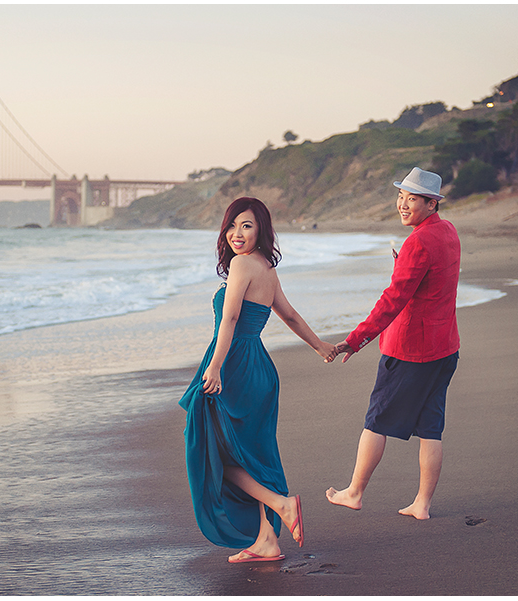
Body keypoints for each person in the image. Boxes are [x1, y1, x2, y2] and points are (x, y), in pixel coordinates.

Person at [178, 197, 337, 563]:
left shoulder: (242, 265)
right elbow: (290, 315)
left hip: (234, 366)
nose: (237, 233)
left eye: (246, 225)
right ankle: (267, 540)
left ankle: (282, 504)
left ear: (261, 229)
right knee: (255, 457)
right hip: (260, 369)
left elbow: (230, 319)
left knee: (210, 450)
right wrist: (319, 347)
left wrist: (215, 367)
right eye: (233, 225)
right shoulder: (265, 267)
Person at [326, 167, 461, 520]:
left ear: (432, 204)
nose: (402, 204)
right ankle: (422, 504)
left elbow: (393, 300)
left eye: (411, 199)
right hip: (445, 347)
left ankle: (354, 492)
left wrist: (355, 340)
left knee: (376, 420)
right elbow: (432, 285)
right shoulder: (447, 232)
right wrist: (404, 264)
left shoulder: (417, 242)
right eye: (400, 196)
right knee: (431, 427)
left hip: (411, 350)